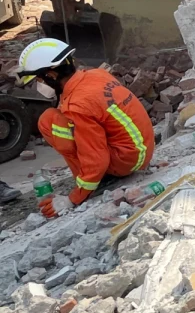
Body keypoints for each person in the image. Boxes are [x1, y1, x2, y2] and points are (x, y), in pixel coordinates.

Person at [17, 38, 153, 217]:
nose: (38, 85)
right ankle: (94, 177)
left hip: (127, 161)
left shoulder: (78, 104)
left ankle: (87, 181)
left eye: (38, 79)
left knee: (48, 120)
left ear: (51, 75)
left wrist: (72, 199)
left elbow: (97, 160)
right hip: (143, 148)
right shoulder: (96, 75)